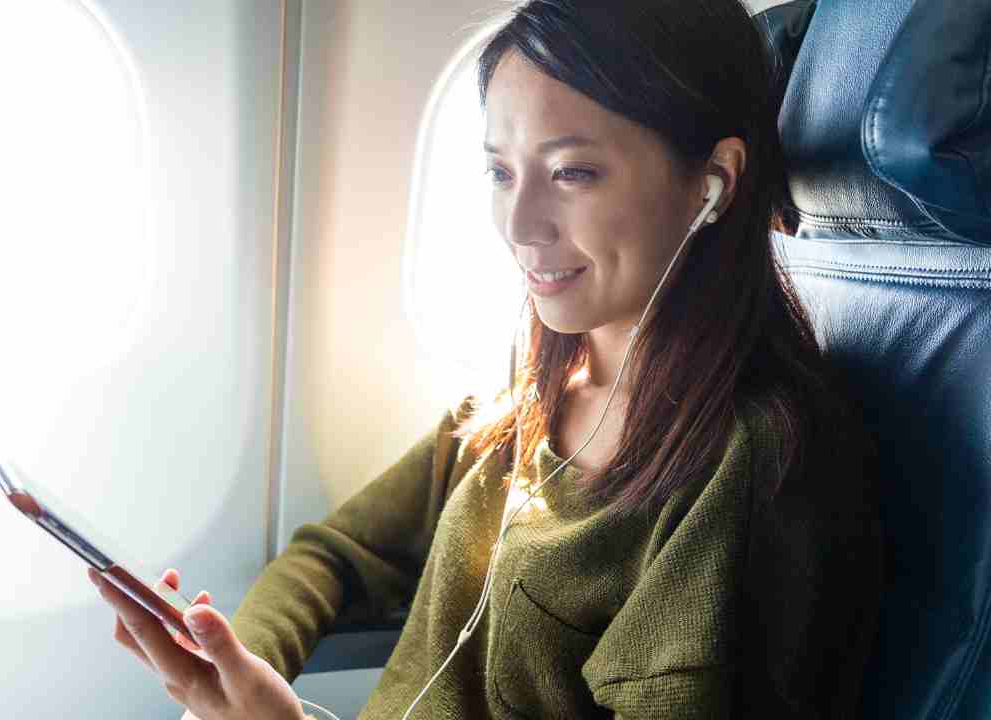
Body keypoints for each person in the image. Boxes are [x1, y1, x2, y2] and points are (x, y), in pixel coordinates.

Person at [89, 0, 885, 717]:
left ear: (713, 183)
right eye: (502, 172)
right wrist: (230, 671)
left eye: (572, 172)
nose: (520, 223)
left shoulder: (749, 469)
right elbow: (338, 552)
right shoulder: (532, 397)